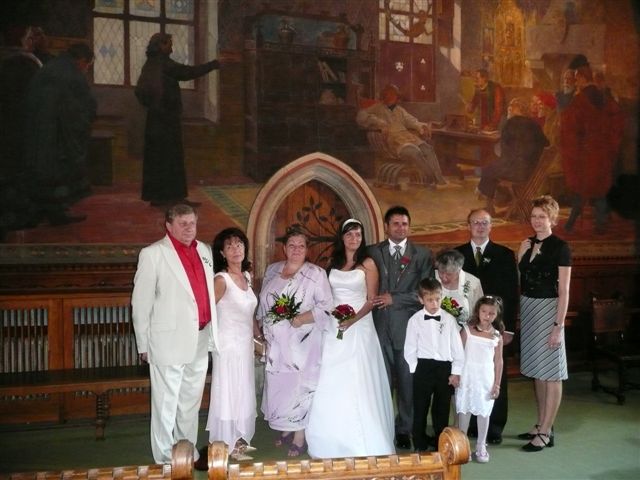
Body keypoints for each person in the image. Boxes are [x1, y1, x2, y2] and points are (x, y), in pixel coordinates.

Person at [131, 203, 219, 464]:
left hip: (199, 337)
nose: (189, 228)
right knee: (165, 404)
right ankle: (164, 458)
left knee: (190, 402)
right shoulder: (153, 254)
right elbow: (141, 303)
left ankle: (186, 451)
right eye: (183, 224)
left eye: (192, 223)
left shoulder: (204, 250)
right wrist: (143, 344)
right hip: (167, 340)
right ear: (168, 226)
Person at [306, 218, 395, 458]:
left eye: (358, 235)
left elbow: (372, 299)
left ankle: (361, 439)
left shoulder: (368, 264)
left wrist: (352, 320)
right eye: (349, 234)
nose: (354, 238)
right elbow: (327, 296)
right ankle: (330, 436)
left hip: (359, 326)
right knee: (332, 376)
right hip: (335, 325)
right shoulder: (333, 263)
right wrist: (334, 316)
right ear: (342, 237)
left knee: (356, 378)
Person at [257, 227, 333, 457]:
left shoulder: (316, 273)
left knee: (299, 386)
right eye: (292, 245)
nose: (296, 249)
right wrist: (262, 328)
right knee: (280, 385)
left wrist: (301, 319)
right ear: (284, 248)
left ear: (307, 249)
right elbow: (263, 301)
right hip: (276, 342)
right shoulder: (273, 270)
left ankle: (300, 434)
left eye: (301, 246)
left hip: (303, 341)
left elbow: (327, 307)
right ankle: (286, 426)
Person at [367, 206, 434, 450]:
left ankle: (405, 428)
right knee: (380, 381)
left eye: (404, 223)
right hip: (377, 326)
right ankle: (382, 426)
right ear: (386, 227)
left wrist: (395, 298)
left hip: (408, 327)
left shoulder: (422, 254)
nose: (400, 228)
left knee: (407, 382)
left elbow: (426, 292)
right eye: (395, 223)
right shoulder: (372, 252)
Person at [455, 209, 519, 445]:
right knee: (470, 374)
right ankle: (470, 424)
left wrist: (508, 328)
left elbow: (512, 292)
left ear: (491, 226)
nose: (480, 226)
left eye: (485, 223)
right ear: (468, 225)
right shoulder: (458, 254)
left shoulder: (504, 254)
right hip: (467, 328)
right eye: (476, 222)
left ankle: (495, 426)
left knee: (493, 372)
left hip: (495, 326)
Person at [135, 32, 220, 207]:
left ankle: (158, 197)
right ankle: (175, 198)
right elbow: (187, 72)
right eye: (169, 44)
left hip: (155, 119)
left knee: (157, 159)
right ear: (161, 45)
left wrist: (153, 105)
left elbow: (140, 92)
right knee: (171, 159)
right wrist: (214, 64)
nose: (172, 48)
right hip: (166, 119)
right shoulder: (164, 63)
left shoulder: (150, 63)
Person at [198, 227, 258, 467]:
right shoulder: (221, 280)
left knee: (243, 391)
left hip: (245, 345)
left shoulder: (247, 277)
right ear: (222, 253)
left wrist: (258, 335)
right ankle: (224, 443)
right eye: (230, 246)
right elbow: (205, 312)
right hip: (228, 347)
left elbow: (249, 312)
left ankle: (239, 442)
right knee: (228, 393)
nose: (235, 249)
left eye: (239, 244)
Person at [516, 195, 571, 452]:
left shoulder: (561, 247)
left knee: (551, 373)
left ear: (552, 219)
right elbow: (523, 279)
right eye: (534, 216)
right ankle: (540, 424)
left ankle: (547, 431)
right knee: (537, 371)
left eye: (542, 216)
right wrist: (521, 256)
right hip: (529, 308)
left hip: (549, 311)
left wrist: (558, 326)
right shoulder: (527, 244)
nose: (537, 221)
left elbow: (565, 291)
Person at [25, 42, 97, 225]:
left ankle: (46, 210)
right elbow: (83, 106)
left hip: (39, 131)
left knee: (44, 171)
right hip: (61, 134)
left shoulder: (49, 68)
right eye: (87, 66)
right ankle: (58, 211)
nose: (86, 70)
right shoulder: (71, 74)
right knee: (60, 173)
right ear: (82, 60)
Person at [561, 54, 624, 234]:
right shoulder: (605, 98)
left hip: (585, 153)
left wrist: (572, 149)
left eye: (576, 79)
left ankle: (571, 223)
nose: (575, 83)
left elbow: (570, 128)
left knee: (581, 188)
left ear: (582, 78)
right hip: (602, 152)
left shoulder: (579, 100)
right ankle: (600, 225)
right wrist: (611, 146)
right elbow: (617, 121)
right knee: (600, 189)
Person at [404, 278, 464, 452]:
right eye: (430, 300)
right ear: (421, 299)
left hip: (444, 368)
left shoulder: (449, 319)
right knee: (420, 406)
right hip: (423, 368)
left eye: (437, 299)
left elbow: (457, 348)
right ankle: (419, 443)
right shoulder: (415, 320)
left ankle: (440, 442)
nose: (434, 304)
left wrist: (456, 371)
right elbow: (410, 347)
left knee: (442, 408)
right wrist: (415, 369)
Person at [356, 84, 447, 188]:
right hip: (393, 140)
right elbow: (361, 116)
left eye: (393, 94)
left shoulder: (400, 110)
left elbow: (412, 121)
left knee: (428, 149)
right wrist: (378, 122)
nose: (390, 97)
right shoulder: (377, 108)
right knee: (414, 152)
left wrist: (422, 126)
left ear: (397, 97)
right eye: (387, 94)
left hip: (408, 136)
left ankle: (440, 180)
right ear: (383, 95)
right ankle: (430, 178)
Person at [476, 97, 549, 216]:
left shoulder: (510, 123)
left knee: (488, 169)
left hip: (516, 171)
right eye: (509, 107)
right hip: (531, 170)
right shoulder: (535, 125)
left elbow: (505, 152)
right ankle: (496, 199)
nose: (509, 110)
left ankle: (489, 206)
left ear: (520, 109)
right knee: (492, 168)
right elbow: (546, 143)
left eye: (512, 108)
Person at [455, 295, 504, 463]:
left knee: (484, 411)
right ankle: (463, 445)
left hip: (485, 379)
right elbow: (458, 354)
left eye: (492, 313)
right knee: (465, 410)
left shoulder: (496, 336)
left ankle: (481, 445)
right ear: (478, 311)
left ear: (496, 315)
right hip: (467, 377)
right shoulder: (467, 331)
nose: (487, 316)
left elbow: (498, 361)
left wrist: (497, 384)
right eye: (484, 311)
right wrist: (456, 374)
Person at [434, 249, 483, 326]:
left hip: (463, 328)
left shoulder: (473, 283)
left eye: (449, 274)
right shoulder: (432, 277)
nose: (444, 277)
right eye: (441, 272)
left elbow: (480, 310)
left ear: (459, 270)